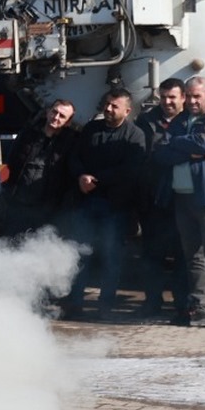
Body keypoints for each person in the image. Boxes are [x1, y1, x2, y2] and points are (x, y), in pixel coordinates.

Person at [152, 76, 205, 329]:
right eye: (188, 96)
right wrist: (190, 147)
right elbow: (160, 152)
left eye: (197, 95)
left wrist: (181, 144)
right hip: (183, 195)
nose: (192, 100)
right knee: (193, 257)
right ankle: (199, 308)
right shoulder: (180, 121)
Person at [62, 88, 149, 319]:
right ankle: (75, 303)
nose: (108, 109)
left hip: (116, 206)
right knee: (81, 253)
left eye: (114, 106)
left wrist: (96, 180)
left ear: (127, 111)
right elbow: (75, 157)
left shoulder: (135, 135)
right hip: (87, 202)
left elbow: (131, 170)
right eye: (107, 104)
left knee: (111, 256)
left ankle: (106, 305)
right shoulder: (91, 129)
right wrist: (81, 176)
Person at [134, 80, 188, 317]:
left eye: (172, 97)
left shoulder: (190, 120)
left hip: (183, 198)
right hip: (154, 196)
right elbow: (146, 153)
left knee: (183, 254)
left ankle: (182, 304)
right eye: (164, 97)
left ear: (183, 98)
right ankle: (152, 302)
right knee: (152, 253)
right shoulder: (146, 120)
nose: (167, 102)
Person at [0, 99, 76, 240]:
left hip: (47, 207)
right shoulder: (28, 133)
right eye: (54, 112)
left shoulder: (70, 142)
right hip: (18, 202)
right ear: (48, 112)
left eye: (62, 116)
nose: (56, 117)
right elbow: (12, 160)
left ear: (68, 122)